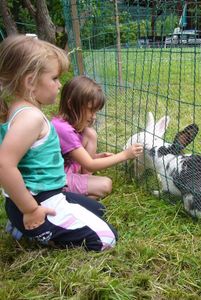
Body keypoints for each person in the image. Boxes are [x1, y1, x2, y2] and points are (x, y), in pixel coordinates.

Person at [0, 35, 116, 251]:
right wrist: (30, 210)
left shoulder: (14, 112)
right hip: (39, 202)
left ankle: (22, 225)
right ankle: (36, 231)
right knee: (106, 238)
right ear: (30, 82)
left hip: (43, 195)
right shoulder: (30, 118)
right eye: (54, 78)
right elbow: (4, 165)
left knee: (98, 210)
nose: (59, 85)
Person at [51, 76, 143, 199]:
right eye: (90, 110)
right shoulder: (63, 129)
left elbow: (67, 155)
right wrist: (124, 155)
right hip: (57, 181)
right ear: (71, 105)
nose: (94, 117)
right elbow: (89, 165)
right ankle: (67, 200)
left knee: (90, 133)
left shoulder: (66, 124)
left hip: (66, 169)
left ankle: (84, 182)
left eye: (96, 112)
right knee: (106, 185)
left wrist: (96, 157)